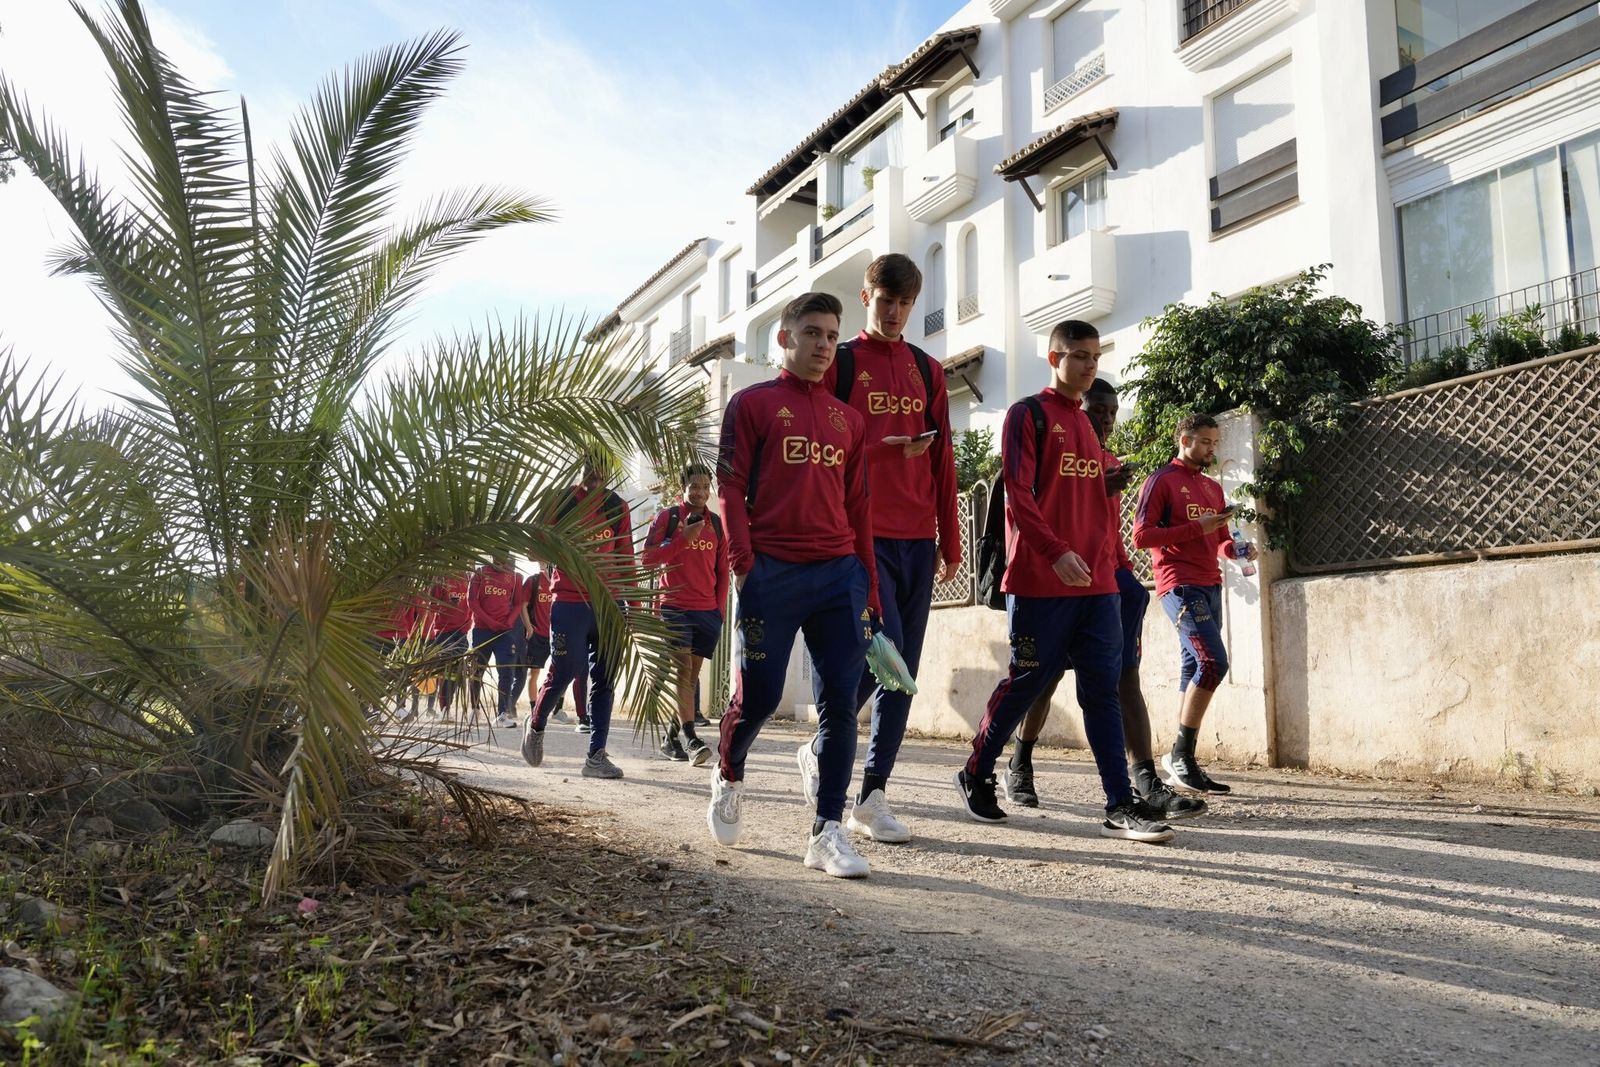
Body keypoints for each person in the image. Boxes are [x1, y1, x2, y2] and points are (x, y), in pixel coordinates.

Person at [952, 320, 1174, 843]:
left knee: (1102, 691)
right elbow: (1018, 491)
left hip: (1097, 586)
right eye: (1077, 355)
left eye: (1095, 355)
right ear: (1054, 359)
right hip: (1039, 581)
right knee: (1027, 681)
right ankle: (976, 770)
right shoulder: (1026, 414)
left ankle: (1120, 804)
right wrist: (1054, 553)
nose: (1089, 364)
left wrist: (1105, 484)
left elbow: (1082, 496)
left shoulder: (1086, 428)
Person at [706, 291, 882, 878]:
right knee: (757, 695)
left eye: (832, 336)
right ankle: (730, 770)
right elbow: (729, 487)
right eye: (812, 333)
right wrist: (742, 561)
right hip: (771, 572)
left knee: (839, 700)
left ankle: (826, 830)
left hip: (837, 575)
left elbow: (859, 507)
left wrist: (868, 585)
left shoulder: (849, 420)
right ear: (784, 338)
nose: (824, 345)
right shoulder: (752, 404)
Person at [801, 253, 959, 845]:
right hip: (854, 536)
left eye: (905, 304)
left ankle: (874, 794)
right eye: (885, 300)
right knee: (875, 653)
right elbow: (818, 442)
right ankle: (827, 741)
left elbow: (942, 454)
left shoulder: (927, 368)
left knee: (903, 673)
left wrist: (951, 535)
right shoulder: (840, 363)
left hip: (917, 537)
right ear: (866, 296)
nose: (894, 313)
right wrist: (881, 451)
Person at [1001, 379, 1206, 821]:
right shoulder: (1050, 453)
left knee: (1123, 681)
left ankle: (1145, 782)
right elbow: (1024, 507)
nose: (1106, 420)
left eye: (1112, 412)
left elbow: (1111, 536)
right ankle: (1020, 761)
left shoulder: (1109, 464)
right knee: (1043, 680)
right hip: (1051, 586)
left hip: (1105, 591)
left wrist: (1125, 579)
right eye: (1098, 410)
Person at [1133, 412, 1258, 795]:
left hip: (1211, 584)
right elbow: (1142, 536)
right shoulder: (1160, 481)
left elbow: (1219, 538)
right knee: (1212, 662)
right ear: (1184, 440)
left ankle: (1180, 759)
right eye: (1205, 442)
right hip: (1179, 584)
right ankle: (1181, 754)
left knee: (1193, 664)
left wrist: (1237, 549)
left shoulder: (1212, 488)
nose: (1211, 449)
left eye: (1215, 443)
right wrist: (1195, 529)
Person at [523, 454, 634, 779]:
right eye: (589, 468)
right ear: (580, 470)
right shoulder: (560, 501)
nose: (595, 475)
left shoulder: (617, 506)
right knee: (567, 668)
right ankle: (537, 723)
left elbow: (625, 556)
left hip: (610, 604)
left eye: (601, 470)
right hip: (569, 603)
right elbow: (534, 548)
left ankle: (596, 756)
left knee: (605, 678)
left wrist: (634, 609)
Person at [642, 463, 729, 766]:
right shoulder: (668, 518)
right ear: (683, 487)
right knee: (683, 672)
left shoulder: (717, 524)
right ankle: (691, 739)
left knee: (691, 676)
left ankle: (670, 738)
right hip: (674, 606)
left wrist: (719, 612)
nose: (701, 492)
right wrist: (682, 540)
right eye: (694, 486)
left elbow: (722, 572)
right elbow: (648, 559)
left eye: (706, 486)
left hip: (706, 611)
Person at [469, 555, 527, 729]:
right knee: (477, 670)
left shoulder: (516, 577)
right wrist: (489, 621)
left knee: (507, 672)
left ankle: (502, 714)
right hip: (482, 630)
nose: (501, 564)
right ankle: (474, 708)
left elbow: (517, 603)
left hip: (504, 632)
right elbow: (472, 602)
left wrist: (510, 621)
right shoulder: (479, 573)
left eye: (505, 560)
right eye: (497, 559)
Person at [524, 568, 586, 728]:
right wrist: (529, 628)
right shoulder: (534, 580)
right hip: (538, 634)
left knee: (564, 670)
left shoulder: (564, 579)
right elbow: (523, 605)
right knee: (534, 672)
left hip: (559, 632)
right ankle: (534, 709)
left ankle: (558, 710)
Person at [428, 573, 474, 716]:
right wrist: (448, 604)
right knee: (445, 670)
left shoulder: (469, 577)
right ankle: (443, 707)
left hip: (461, 633)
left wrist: (467, 627)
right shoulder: (441, 578)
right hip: (443, 632)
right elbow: (432, 606)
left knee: (454, 672)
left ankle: (447, 707)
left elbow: (472, 605)